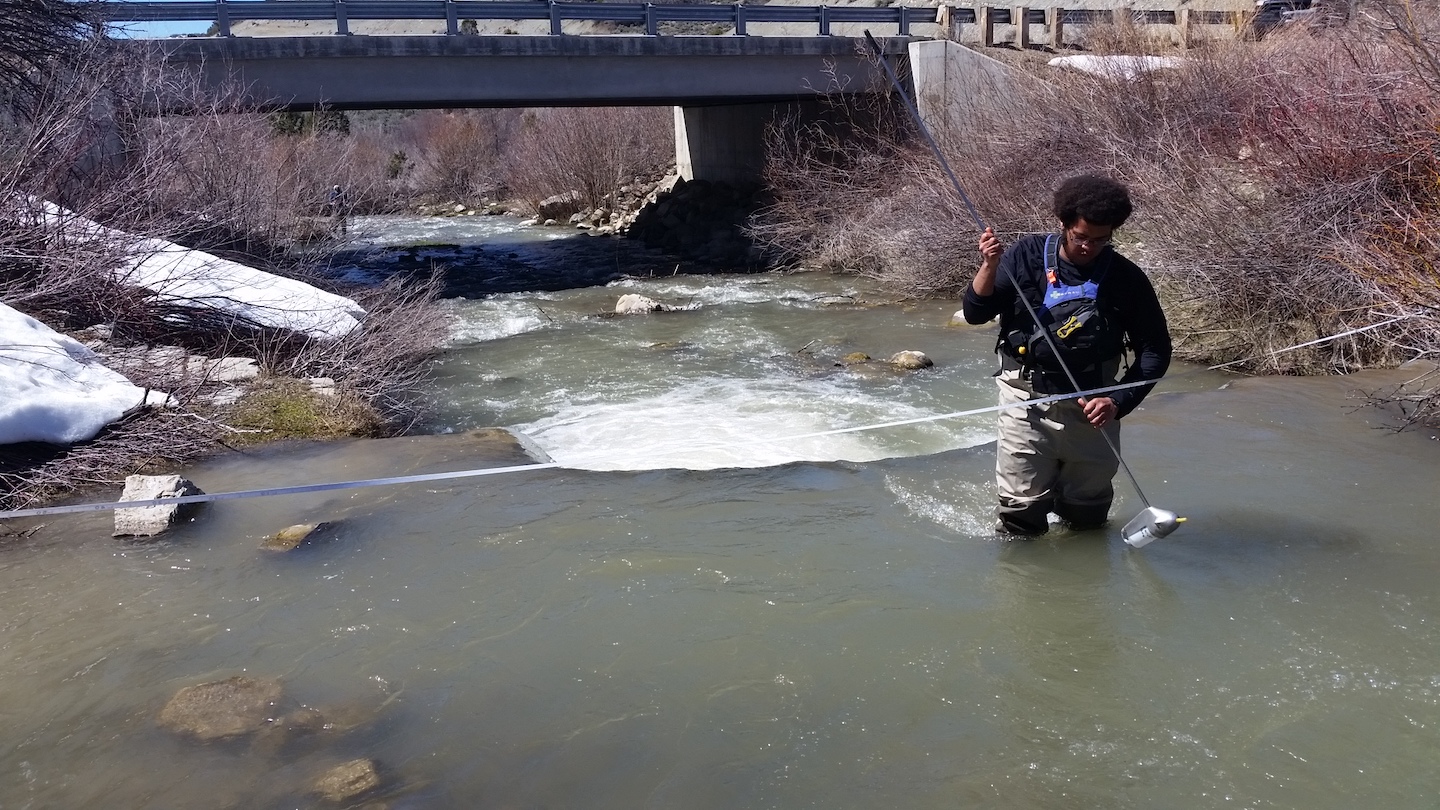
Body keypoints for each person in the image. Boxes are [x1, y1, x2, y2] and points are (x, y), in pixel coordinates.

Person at [962, 174, 1172, 535]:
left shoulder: (1126, 278)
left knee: (1087, 517)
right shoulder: (1025, 256)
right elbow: (975, 313)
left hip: (1094, 407)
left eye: (1101, 239)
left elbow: (1156, 351)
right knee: (1021, 517)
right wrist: (989, 265)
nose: (1089, 247)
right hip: (1025, 400)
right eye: (1081, 237)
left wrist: (1118, 400)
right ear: (1063, 225)